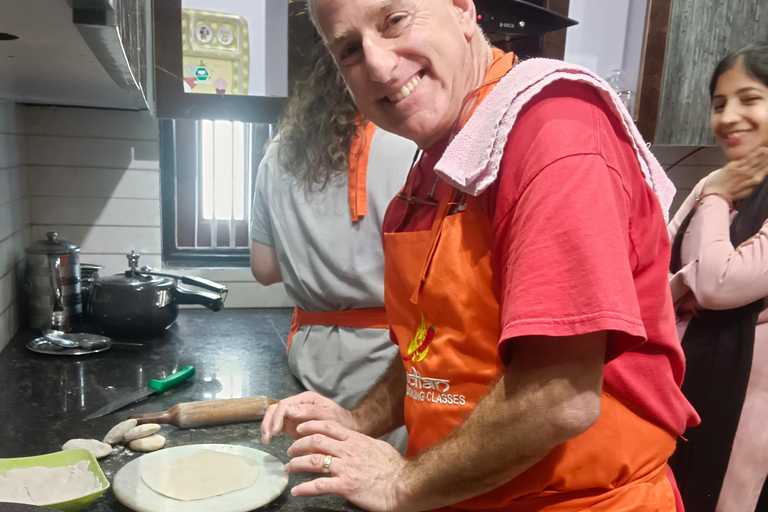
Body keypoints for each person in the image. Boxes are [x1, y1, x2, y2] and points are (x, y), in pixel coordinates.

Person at [261, 0, 699, 510]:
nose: (378, 65)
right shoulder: (440, 162)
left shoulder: (554, 131)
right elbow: (431, 350)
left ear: (463, 9)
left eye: (395, 20)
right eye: (350, 50)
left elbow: (558, 397)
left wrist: (402, 482)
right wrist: (358, 420)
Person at [249, 43, 417, 452]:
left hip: (310, 360)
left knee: (315, 479)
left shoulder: (277, 152)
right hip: (391, 372)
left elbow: (264, 268)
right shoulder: (410, 142)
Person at [667, 43, 768, 512]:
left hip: (747, 404)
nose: (729, 117)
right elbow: (652, 270)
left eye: (750, 99)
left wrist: (716, 200)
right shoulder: (715, 181)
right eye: (719, 104)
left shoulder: (715, 190)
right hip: (679, 385)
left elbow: (719, 285)